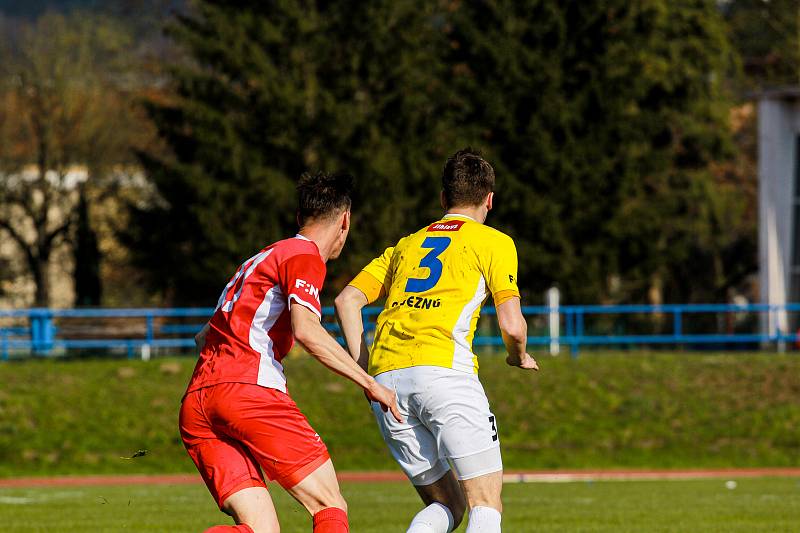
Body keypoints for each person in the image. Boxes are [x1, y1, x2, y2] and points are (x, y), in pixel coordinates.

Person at [180, 171, 402, 533]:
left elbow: (203, 338)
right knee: (329, 503)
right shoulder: (304, 255)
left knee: (261, 528)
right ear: (345, 220)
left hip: (199, 401)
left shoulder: (256, 261)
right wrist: (370, 382)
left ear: (300, 218)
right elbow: (306, 330)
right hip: (249, 391)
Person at [334, 149, 538, 533]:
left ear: (443, 199)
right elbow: (513, 327)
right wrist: (518, 356)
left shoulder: (407, 244)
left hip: (388, 382)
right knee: (484, 501)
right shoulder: (494, 242)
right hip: (445, 375)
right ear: (489, 199)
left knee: (447, 504)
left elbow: (347, 300)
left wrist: (366, 378)